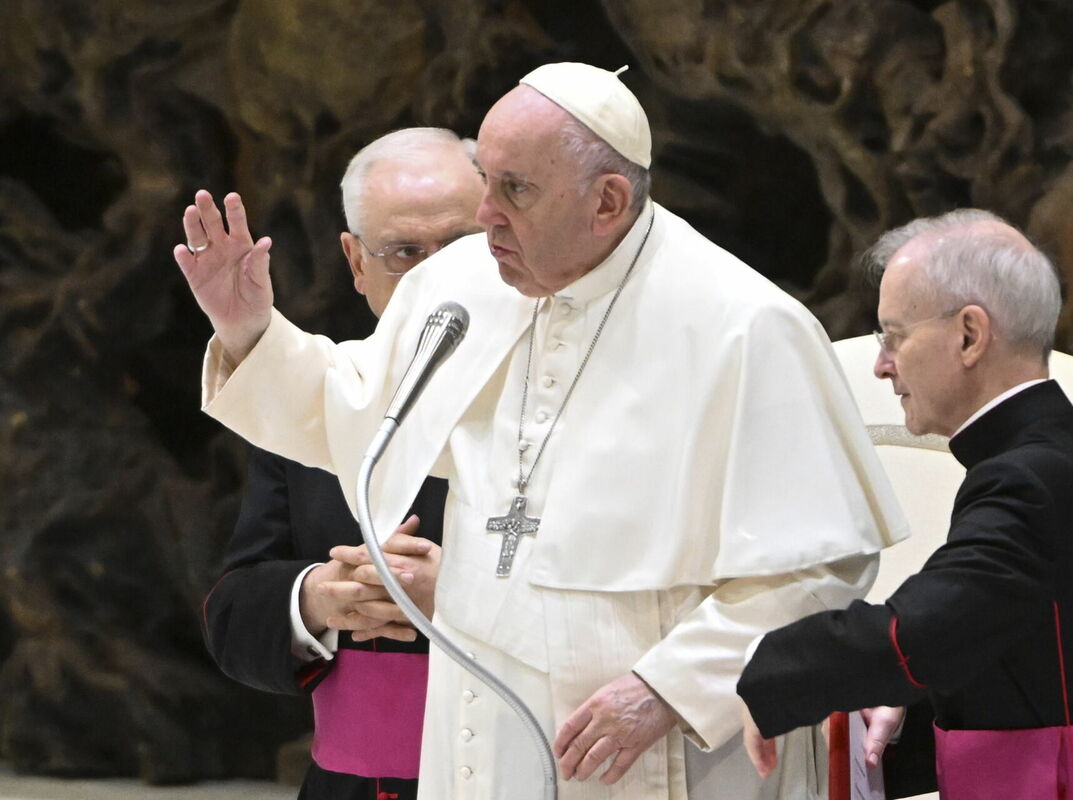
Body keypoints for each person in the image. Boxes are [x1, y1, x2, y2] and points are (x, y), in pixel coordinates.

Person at [176, 63, 908, 799]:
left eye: (514, 189)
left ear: (608, 201)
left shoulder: (744, 326)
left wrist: (666, 691)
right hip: (487, 731)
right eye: (485, 179)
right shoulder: (462, 283)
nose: (486, 212)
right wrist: (247, 328)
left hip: (666, 751)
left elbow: (816, 570)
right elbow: (354, 412)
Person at [737, 209, 1073, 797]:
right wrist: (910, 695)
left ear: (969, 335)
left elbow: (929, 627)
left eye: (893, 335)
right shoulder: (1042, 452)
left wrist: (768, 669)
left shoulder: (1030, 476)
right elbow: (1015, 643)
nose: (881, 364)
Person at [201, 127, 485, 800]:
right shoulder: (319, 392)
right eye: (404, 252)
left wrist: (464, 594)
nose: (436, 275)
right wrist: (320, 598)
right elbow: (234, 611)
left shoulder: (572, 395)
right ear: (356, 263)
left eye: (461, 246)